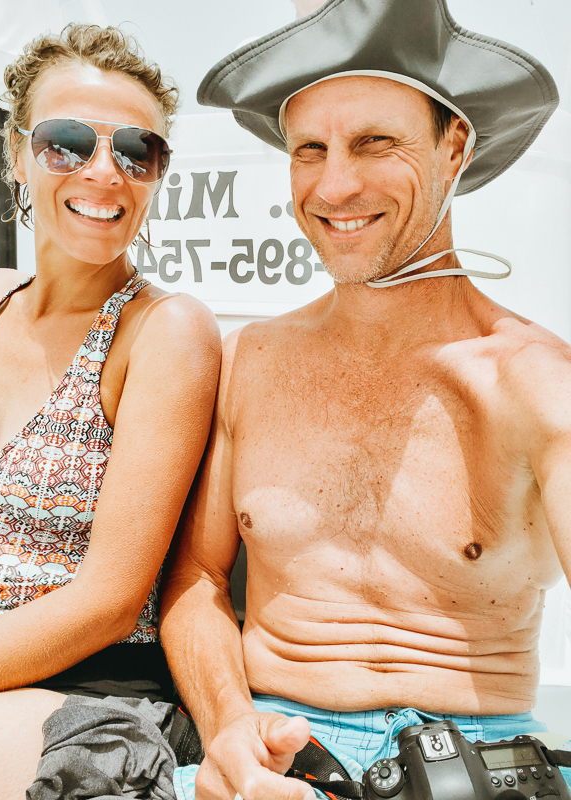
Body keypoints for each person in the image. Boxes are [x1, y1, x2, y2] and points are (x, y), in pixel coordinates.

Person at [159, 1, 571, 799]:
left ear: (456, 146)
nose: (335, 183)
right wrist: (231, 732)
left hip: (484, 759)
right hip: (281, 746)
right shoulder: (251, 358)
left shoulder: (535, 381)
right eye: (309, 150)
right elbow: (196, 582)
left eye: (375, 142)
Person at [0, 23, 220, 800]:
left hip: (87, 697)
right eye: (67, 142)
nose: (104, 172)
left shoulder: (164, 332)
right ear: (17, 154)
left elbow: (110, 601)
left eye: (137, 151)